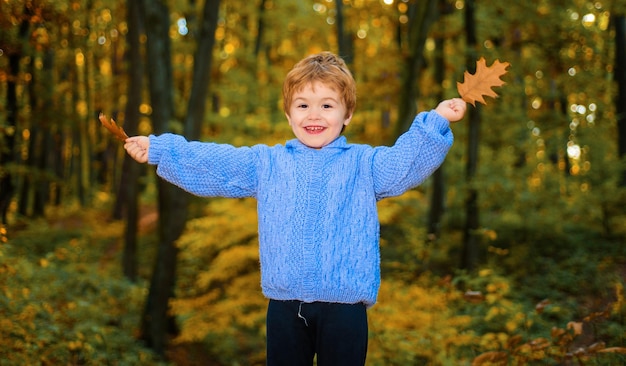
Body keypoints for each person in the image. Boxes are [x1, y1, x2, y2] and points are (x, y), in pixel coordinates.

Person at [124, 51, 466, 366]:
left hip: (344, 310)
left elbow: (403, 164)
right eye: (302, 105)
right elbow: (216, 163)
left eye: (327, 106)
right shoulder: (267, 162)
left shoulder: (364, 164)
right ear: (288, 114)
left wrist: (435, 121)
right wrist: (159, 150)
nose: (314, 115)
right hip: (284, 308)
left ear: (348, 114)